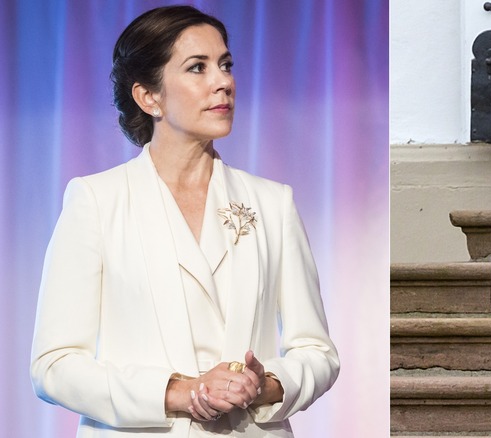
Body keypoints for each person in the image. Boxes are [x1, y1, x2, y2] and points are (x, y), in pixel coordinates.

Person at [30, 6, 339, 437]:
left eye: (225, 65)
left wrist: (264, 385)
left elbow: (318, 352)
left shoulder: (272, 203)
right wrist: (179, 391)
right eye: (198, 67)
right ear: (148, 97)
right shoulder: (97, 200)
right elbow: (54, 365)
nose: (224, 82)